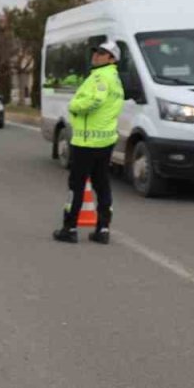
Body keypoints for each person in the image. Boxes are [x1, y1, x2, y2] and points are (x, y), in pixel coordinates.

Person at [53, 42, 125, 245]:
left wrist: (74, 106)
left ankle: (70, 228)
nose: (96, 55)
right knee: (102, 184)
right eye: (96, 52)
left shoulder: (100, 77)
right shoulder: (115, 78)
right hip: (105, 140)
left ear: (112, 59)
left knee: (76, 185)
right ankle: (103, 229)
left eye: (102, 53)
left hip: (87, 141)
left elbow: (96, 101)